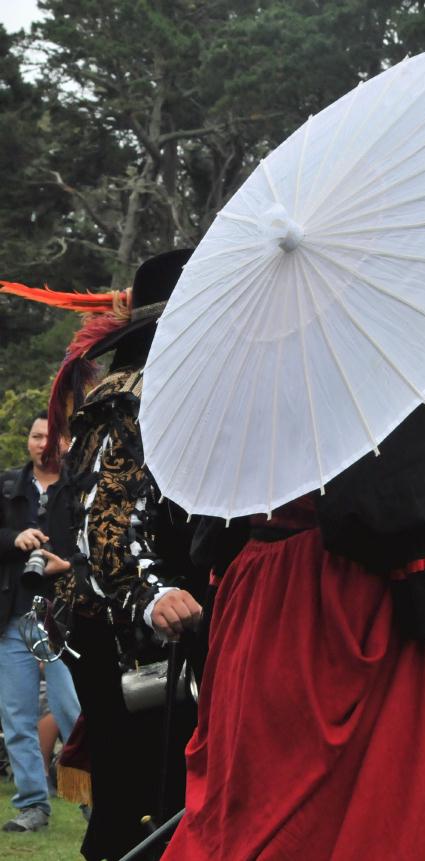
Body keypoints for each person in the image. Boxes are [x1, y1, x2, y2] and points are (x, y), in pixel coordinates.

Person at [162, 348, 425, 860]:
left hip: (255, 600)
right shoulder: (385, 361)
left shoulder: (253, 364)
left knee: (252, 814)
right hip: (341, 607)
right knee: (350, 819)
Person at [8, 251, 209, 859]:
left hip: (163, 621)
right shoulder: (131, 398)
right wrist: (153, 596)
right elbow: (109, 519)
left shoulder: (177, 393)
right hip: (132, 631)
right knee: (144, 802)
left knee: (167, 794)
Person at [0, 412, 81, 833]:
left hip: (64, 617)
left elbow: (100, 543)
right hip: (14, 614)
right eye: (35, 436)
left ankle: (93, 799)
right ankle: (33, 804)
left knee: (73, 711)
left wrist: (69, 565)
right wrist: (15, 539)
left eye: (51, 436)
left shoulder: (83, 487)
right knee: (17, 716)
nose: (42, 443)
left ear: (65, 443)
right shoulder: (7, 485)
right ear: (27, 443)